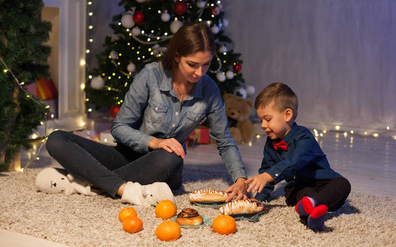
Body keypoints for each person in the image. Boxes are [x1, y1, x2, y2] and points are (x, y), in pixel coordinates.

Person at [42, 22, 248, 206]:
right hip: (127, 157)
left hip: (165, 167)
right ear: (177, 56)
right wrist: (154, 142)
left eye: (206, 64)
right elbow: (119, 128)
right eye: (193, 64)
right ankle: (121, 188)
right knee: (56, 139)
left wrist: (240, 180)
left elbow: (225, 140)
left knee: (170, 156)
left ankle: (90, 181)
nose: (200, 72)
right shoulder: (151, 75)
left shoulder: (210, 89)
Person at [246, 82, 351, 232]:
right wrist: (259, 198)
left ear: (287, 115)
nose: (262, 125)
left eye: (267, 119)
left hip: (322, 182)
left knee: (342, 184)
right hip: (299, 186)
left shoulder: (304, 137)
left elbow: (293, 162)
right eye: (261, 120)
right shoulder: (271, 142)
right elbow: (267, 168)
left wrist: (269, 175)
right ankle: (310, 215)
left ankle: (315, 204)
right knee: (295, 194)